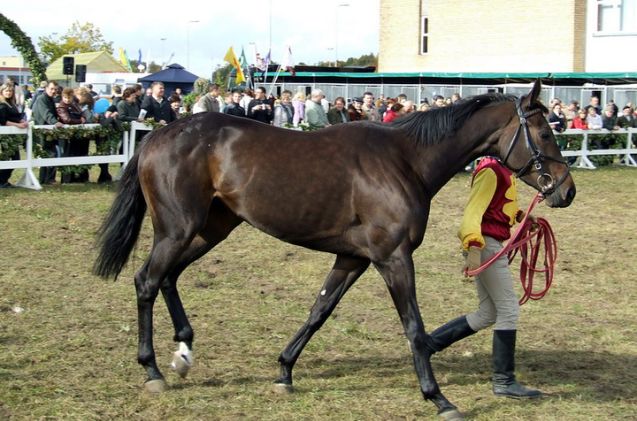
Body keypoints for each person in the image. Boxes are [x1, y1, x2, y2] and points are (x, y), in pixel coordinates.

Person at [427, 156, 542, 399]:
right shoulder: (491, 170)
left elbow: (498, 205)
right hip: (485, 244)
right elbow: (473, 211)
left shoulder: (501, 169)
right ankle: (504, 381)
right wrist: (474, 246)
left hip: (490, 243)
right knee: (508, 309)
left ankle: (428, 345)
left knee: (488, 313)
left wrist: (521, 216)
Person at [31, 81, 64, 184]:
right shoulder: (42, 99)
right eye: (51, 89)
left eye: (55, 89)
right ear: (46, 88)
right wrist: (55, 122)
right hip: (43, 132)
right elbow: (46, 114)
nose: (53, 91)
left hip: (49, 132)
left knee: (49, 155)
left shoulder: (50, 99)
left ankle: (45, 179)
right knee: (51, 154)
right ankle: (48, 179)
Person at [0, 82, 29, 188]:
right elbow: (3, 121)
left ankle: (3, 180)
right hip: (6, 136)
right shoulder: (2, 104)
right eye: (6, 91)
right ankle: (2, 181)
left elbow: (16, 116)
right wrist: (18, 125)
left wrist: (22, 121)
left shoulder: (11, 103)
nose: (9, 93)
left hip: (13, 136)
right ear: (2, 92)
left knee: (15, 159)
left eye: (11, 91)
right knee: (10, 158)